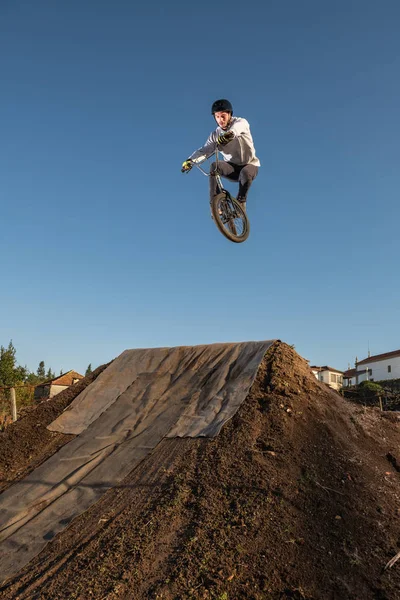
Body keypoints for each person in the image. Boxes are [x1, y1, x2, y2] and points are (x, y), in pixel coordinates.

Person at [181, 99, 260, 213]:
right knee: (214, 166)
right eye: (217, 117)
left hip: (249, 166)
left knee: (246, 172)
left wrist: (230, 134)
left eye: (223, 116)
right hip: (232, 169)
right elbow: (205, 151)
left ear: (229, 115)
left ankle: (241, 202)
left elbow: (237, 129)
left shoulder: (241, 122)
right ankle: (215, 204)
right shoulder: (215, 135)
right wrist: (190, 161)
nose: (221, 120)